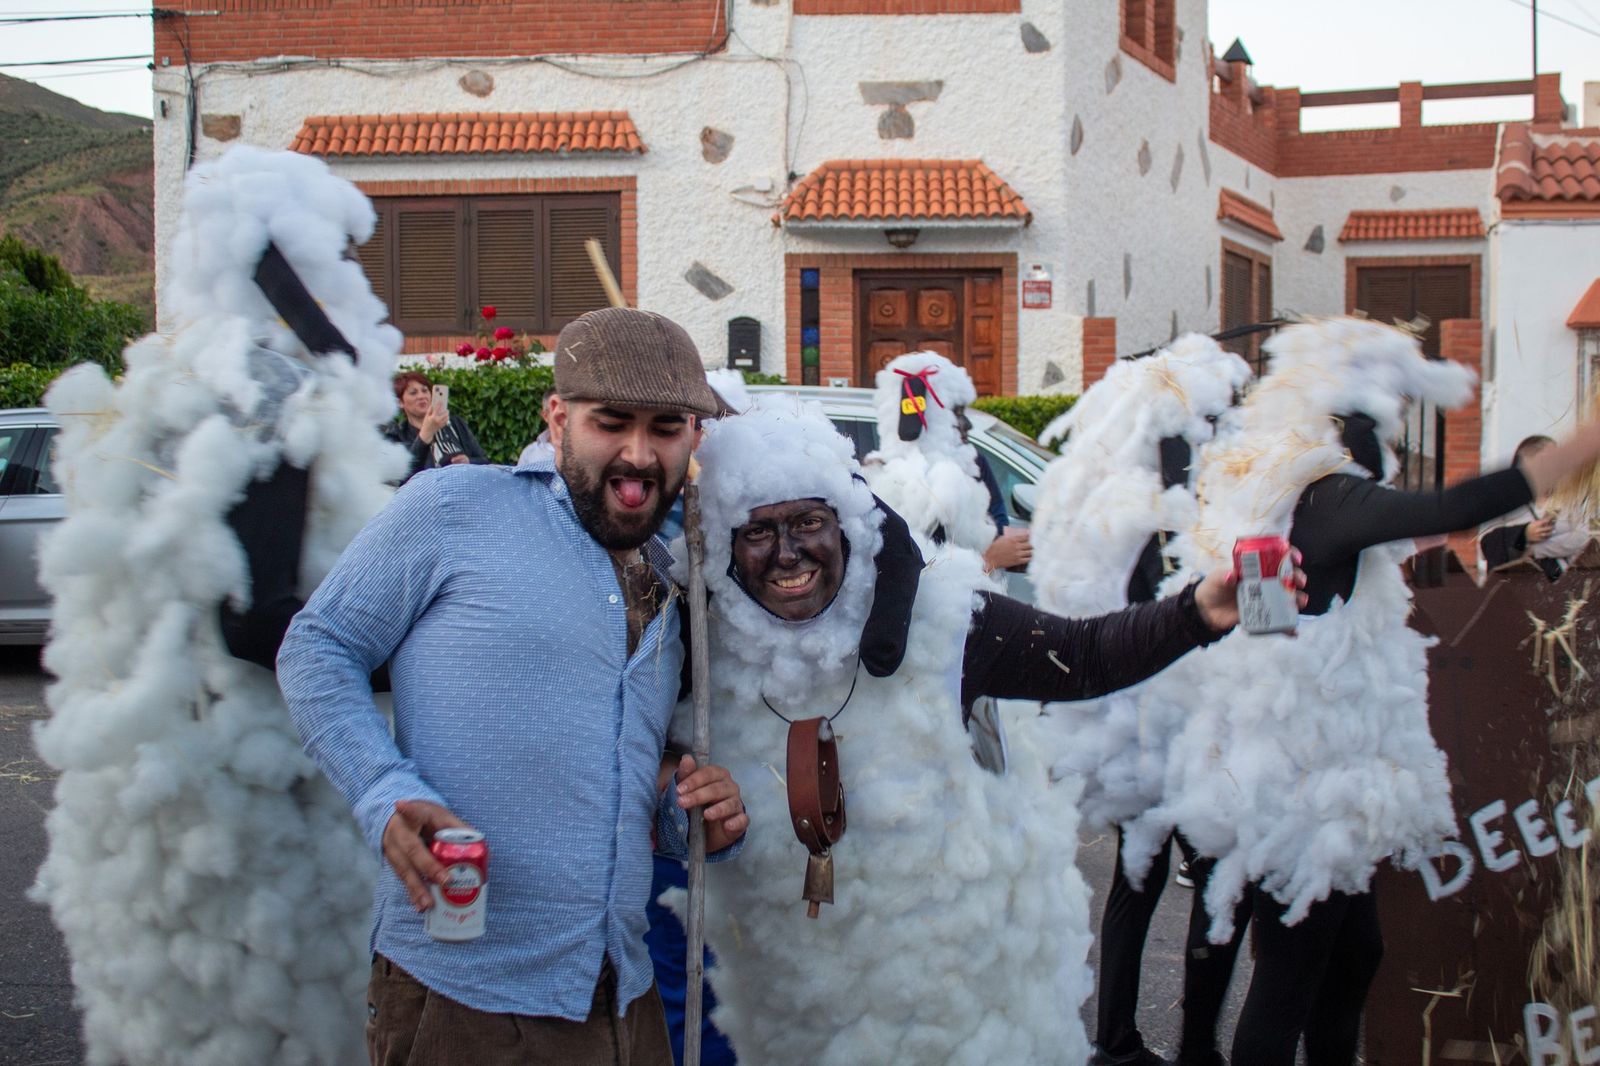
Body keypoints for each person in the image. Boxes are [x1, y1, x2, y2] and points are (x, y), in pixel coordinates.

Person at [674, 396, 1301, 1064]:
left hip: (945, 1005)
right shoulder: (699, 658)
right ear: (726, 548)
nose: (788, 551)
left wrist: (1195, 612)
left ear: (851, 527)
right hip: (779, 1011)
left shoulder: (943, 623)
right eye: (758, 531)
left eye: (808, 522)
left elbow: (1082, 656)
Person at [278, 306, 751, 1066]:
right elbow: (317, 647)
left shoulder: (674, 575)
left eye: (666, 427)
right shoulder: (454, 508)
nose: (639, 453)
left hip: (624, 1002)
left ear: (693, 439)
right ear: (557, 418)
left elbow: (615, 779)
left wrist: (690, 820)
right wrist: (381, 793)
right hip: (463, 1002)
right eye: (611, 422)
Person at [1144, 318, 1600, 1065]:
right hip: (1307, 797)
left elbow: (1269, 630)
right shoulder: (1330, 499)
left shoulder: (1283, 498)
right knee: (1291, 979)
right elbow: (1446, 512)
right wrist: (1573, 455)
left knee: (1354, 956)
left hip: (1302, 776)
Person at [1027, 335, 1254, 1066]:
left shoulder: (1127, 505)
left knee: (1141, 878)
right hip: (1174, 728)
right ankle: (1184, 1047)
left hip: (1147, 726)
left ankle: (1121, 1042)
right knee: (1207, 876)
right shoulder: (1164, 515)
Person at [862, 351, 1007, 576]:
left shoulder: (975, 463)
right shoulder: (880, 480)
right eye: (956, 413)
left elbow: (998, 524)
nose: (967, 424)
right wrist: (988, 560)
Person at [1481, 434, 1594, 579]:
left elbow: (1583, 538)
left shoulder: (1570, 501)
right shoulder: (1508, 506)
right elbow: (1488, 543)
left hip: (1562, 582)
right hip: (1518, 583)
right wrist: (1525, 533)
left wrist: (1534, 548)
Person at [384, 369, 488, 482]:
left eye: (425, 391)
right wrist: (425, 435)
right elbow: (402, 477)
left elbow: (484, 461)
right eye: (413, 393)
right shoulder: (397, 435)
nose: (421, 396)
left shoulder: (455, 424)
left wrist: (468, 461)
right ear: (400, 402)